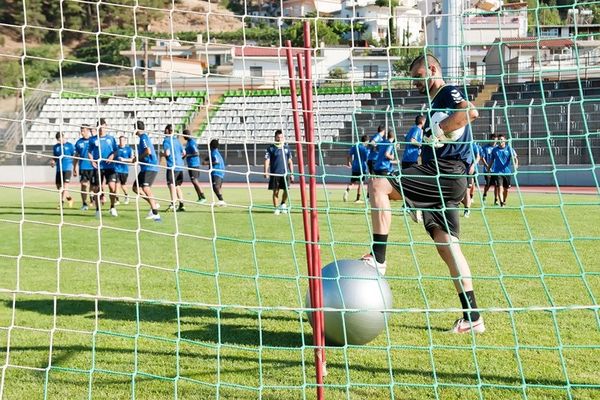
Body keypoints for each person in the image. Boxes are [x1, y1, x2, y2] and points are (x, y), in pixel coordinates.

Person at [364, 54, 484, 334]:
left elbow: (470, 112)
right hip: (447, 175)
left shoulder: (445, 91)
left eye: (418, 76)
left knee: (378, 185)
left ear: (431, 69)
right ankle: (473, 317)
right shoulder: (433, 102)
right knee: (447, 246)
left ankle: (378, 260)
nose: (415, 83)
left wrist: (440, 131)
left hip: (447, 172)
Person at [87, 122, 119, 218]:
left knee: (112, 187)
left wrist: (112, 156)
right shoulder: (93, 139)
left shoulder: (111, 139)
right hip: (98, 167)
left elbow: (116, 150)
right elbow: (89, 152)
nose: (101, 129)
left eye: (103, 127)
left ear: (106, 127)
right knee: (97, 188)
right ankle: (98, 210)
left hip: (110, 166)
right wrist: (92, 161)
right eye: (99, 128)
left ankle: (112, 207)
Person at [132, 120, 161, 221]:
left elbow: (147, 151)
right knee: (135, 188)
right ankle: (154, 204)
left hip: (150, 167)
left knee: (145, 188)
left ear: (136, 129)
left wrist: (139, 158)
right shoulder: (142, 139)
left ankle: (155, 213)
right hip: (145, 168)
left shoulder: (143, 137)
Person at [264, 130, 294, 215]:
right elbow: (267, 160)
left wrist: (292, 173)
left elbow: (290, 161)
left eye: (281, 137)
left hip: (285, 173)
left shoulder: (286, 147)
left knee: (287, 190)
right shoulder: (271, 148)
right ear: (275, 137)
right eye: (278, 137)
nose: (280, 139)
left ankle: (283, 204)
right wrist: (265, 171)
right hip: (275, 173)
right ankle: (276, 208)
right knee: (276, 191)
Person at [162, 125, 186, 212]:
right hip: (180, 166)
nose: (164, 131)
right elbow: (184, 153)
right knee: (177, 185)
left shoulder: (166, 140)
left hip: (172, 166)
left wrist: (162, 154)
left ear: (168, 130)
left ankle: (173, 204)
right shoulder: (177, 140)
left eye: (165, 130)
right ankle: (182, 204)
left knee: (171, 184)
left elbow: (167, 153)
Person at [490, 134, 518, 207]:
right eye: (499, 139)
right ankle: (501, 203)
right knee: (500, 187)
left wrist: (516, 165)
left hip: (507, 172)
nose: (500, 141)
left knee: (506, 189)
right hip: (497, 172)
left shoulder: (509, 149)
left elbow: (515, 158)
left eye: (501, 139)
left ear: (505, 140)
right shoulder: (495, 150)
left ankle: (504, 200)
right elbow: (491, 160)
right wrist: (488, 170)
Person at [51, 132, 75, 209]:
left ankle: (61, 203)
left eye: (60, 138)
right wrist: (53, 162)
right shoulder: (56, 147)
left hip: (67, 168)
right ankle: (69, 198)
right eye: (58, 140)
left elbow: (73, 156)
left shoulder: (70, 145)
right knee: (59, 186)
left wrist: (74, 167)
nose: (60, 141)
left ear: (64, 137)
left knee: (65, 186)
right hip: (59, 168)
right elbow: (55, 157)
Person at [183, 130, 207, 204]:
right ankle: (199, 197)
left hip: (194, 164)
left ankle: (203, 197)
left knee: (195, 181)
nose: (183, 137)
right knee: (193, 181)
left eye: (184, 135)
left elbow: (196, 153)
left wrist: (187, 155)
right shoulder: (188, 143)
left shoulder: (192, 143)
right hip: (191, 164)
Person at [343, 134, 369, 203]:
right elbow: (366, 159)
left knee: (352, 182)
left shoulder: (356, 146)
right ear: (366, 141)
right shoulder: (365, 149)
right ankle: (357, 198)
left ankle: (347, 191)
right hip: (362, 167)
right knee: (361, 183)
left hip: (355, 166)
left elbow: (349, 155)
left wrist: (348, 162)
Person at [73, 125, 93, 210]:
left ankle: (92, 199)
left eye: (84, 130)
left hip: (93, 167)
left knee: (94, 186)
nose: (82, 132)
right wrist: (74, 167)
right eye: (81, 131)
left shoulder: (93, 140)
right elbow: (76, 156)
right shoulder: (78, 142)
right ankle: (84, 204)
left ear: (88, 131)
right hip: (83, 167)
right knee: (84, 185)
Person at [204, 139, 226, 206]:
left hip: (216, 171)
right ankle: (221, 201)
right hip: (221, 171)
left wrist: (206, 163)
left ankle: (221, 200)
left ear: (210, 145)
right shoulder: (216, 152)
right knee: (218, 187)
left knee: (215, 186)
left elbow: (216, 161)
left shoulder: (213, 152)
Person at [462, 141, 481, 218]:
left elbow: (478, 157)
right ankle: (466, 203)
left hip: (468, 170)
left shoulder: (472, 145)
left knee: (467, 189)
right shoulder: (459, 143)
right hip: (457, 169)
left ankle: (466, 210)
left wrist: (473, 165)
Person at [115, 136, 134, 205]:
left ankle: (126, 195)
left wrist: (124, 159)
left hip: (124, 170)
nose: (121, 142)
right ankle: (117, 200)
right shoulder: (116, 148)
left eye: (122, 140)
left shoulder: (129, 149)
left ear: (125, 141)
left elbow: (132, 160)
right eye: (120, 140)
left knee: (123, 185)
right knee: (116, 184)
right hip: (116, 169)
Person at [480, 133, 498, 204]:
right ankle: (484, 195)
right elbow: (482, 158)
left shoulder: (497, 148)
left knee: (497, 185)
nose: (494, 141)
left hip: (496, 170)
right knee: (488, 184)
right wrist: (487, 166)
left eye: (496, 140)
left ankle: (496, 200)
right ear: (490, 139)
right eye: (493, 140)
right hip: (487, 170)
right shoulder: (485, 148)